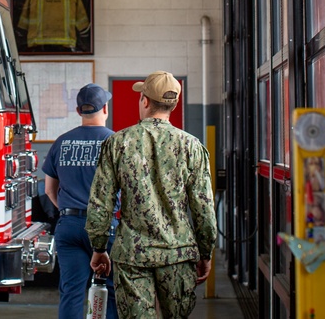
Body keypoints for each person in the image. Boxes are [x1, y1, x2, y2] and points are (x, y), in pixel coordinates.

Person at [86, 71, 217, 319]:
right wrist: (205, 252)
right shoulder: (192, 146)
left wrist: (99, 247)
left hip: (132, 255)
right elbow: (204, 209)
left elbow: (101, 201)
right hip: (178, 254)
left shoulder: (118, 143)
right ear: (173, 104)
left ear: (145, 101)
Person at [42, 83, 119, 319]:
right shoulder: (116, 142)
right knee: (113, 289)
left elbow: (49, 190)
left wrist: (68, 212)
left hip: (69, 226)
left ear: (78, 111)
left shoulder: (62, 142)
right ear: (105, 108)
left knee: (71, 291)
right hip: (107, 228)